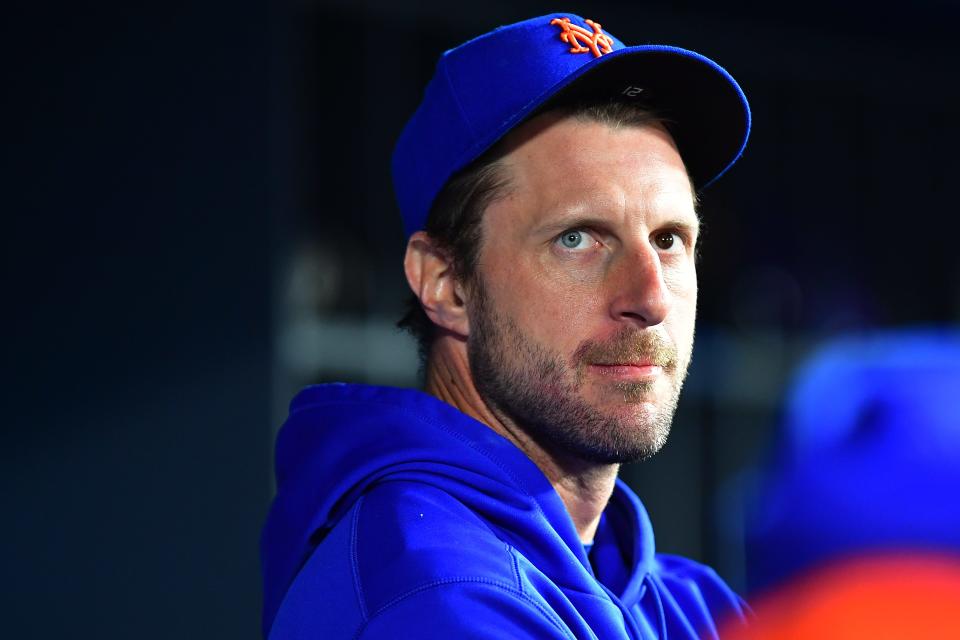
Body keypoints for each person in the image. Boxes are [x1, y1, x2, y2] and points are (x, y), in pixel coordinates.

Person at [261, 13, 751, 639]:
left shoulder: (688, 602)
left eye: (668, 239)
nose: (650, 297)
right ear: (445, 283)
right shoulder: (436, 599)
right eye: (578, 239)